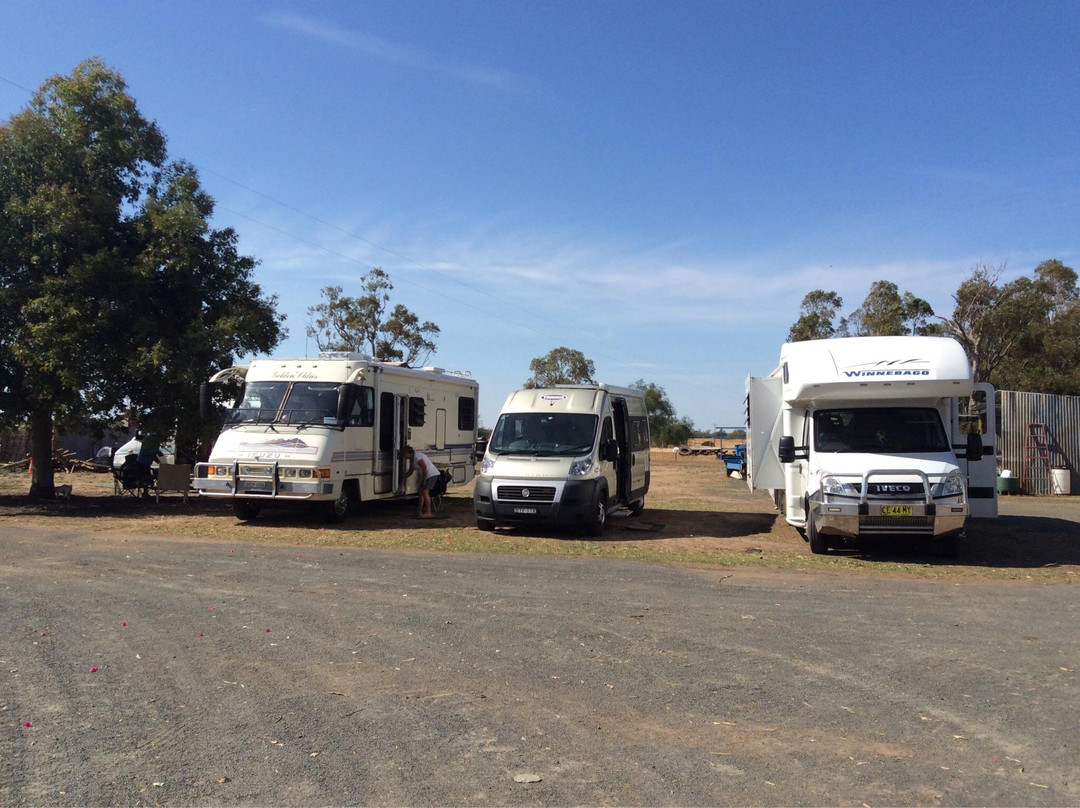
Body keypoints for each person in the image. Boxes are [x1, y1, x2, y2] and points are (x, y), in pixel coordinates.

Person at [403, 445, 440, 519]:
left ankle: (428, 512)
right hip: (426, 476)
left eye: (404, 454)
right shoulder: (412, 459)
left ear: (408, 453)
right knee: (420, 492)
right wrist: (403, 477)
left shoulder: (417, 457)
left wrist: (424, 481)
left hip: (431, 475)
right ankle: (419, 512)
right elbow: (410, 471)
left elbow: (425, 468)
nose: (404, 456)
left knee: (425, 492)